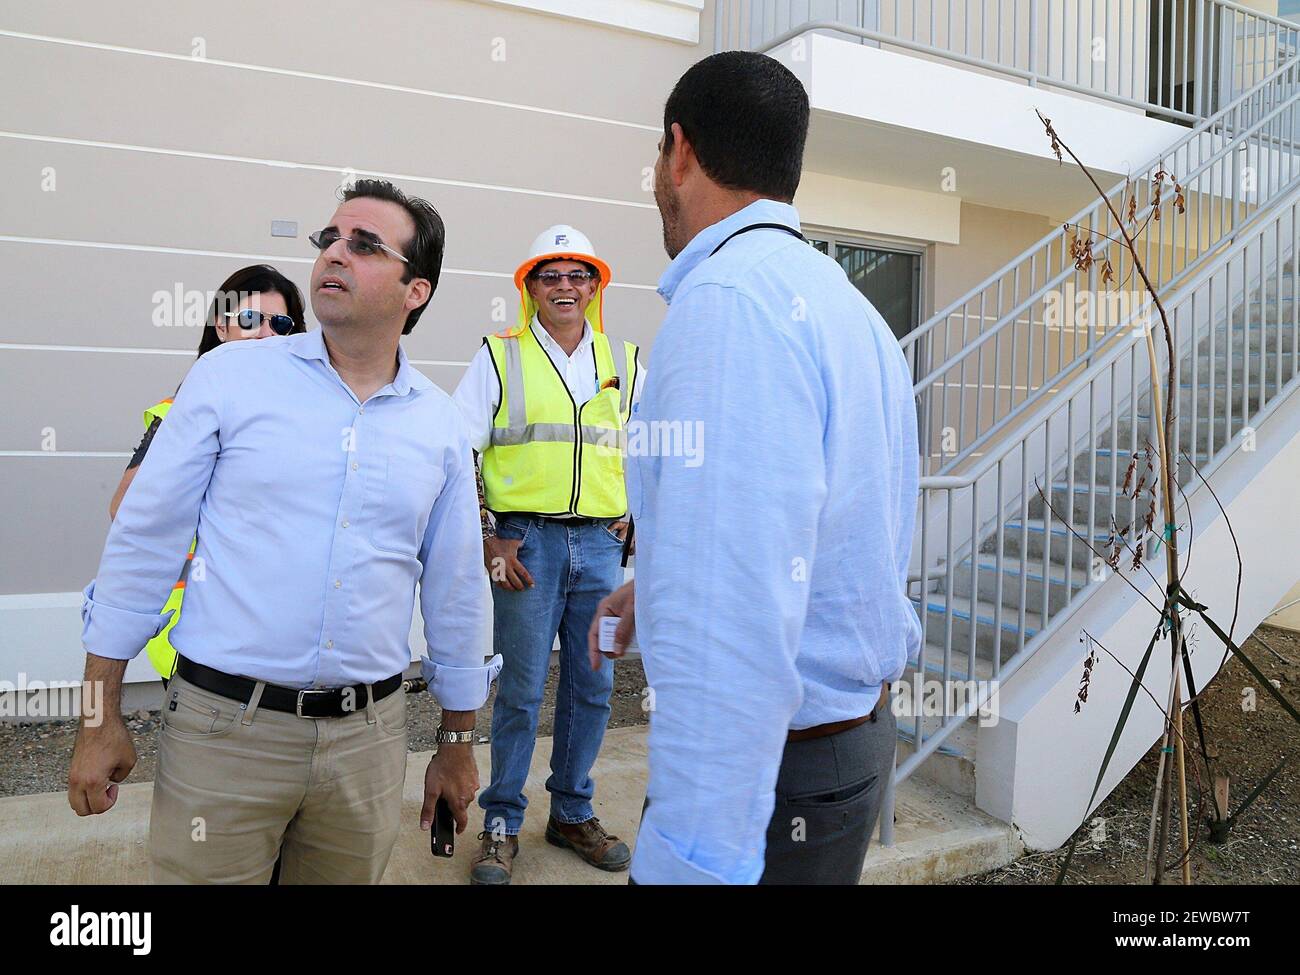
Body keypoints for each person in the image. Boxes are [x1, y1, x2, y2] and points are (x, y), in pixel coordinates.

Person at [67, 178, 502, 884]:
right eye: (329, 238)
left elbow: (456, 592)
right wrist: (98, 715)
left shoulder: (441, 426)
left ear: (414, 290)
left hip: (368, 743)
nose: (335, 252)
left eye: (363, 245)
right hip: (223, 734)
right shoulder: (229, 380)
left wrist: (456, 741)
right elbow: (140, 546)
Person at [588, 51, 922, 884]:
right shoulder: (848, 308)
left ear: (679, 151)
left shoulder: (729, 303)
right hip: (839, 747)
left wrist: (690, 860)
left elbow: (730, 617)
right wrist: (661, 577)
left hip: (769, 782)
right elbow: (824, 531)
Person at [453, 225, 644, 884]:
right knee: (522, 688)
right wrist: (487, 535)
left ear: (595, 286)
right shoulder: (500, 357)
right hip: (524, 545)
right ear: (530, 287)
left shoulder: (625, 358)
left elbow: (647, 454)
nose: (566, 286)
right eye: (551, 275)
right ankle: (502, 819)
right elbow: (460, 450)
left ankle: (571, 811)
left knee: (594, 686)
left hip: (603, 547)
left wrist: (639, 529)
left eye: (578, 274)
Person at [109, 264, 307, 684]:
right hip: (200, 637)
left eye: (281, 324)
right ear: (221, 327)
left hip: (286, 634)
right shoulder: (185, 408)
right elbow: (127, 508)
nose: (266, 334)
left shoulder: (310, 415)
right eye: (250, 320)